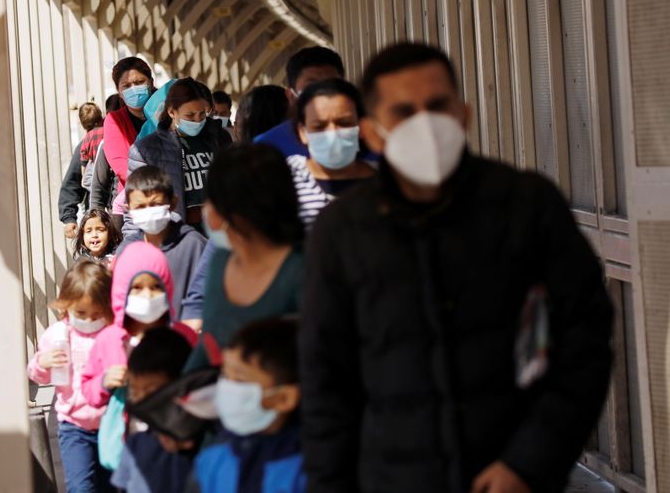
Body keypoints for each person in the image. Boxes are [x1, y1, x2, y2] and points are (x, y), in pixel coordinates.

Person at [300, 42, 614, 493]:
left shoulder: (525, 205)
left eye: (437, 106)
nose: (424, 124)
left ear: (463, 113)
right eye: (404, 112)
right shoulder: (342, 232)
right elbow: (325, 377)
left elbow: (584, 338)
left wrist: (529, 462)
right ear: (371, 133)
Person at [184, 144, 304, 372]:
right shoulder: (220, 259)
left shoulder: (303, 273)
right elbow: (207, 347)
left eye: (211, 200)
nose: (205, 210)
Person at [27, 261, 116, 493]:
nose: (88, 321)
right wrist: (42, 363)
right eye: (81, 313)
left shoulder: (111, 333)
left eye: (97, 314)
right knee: (80, 487)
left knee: (112, 486)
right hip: (74, 426)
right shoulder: (58, 334)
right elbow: (38, 375)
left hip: (111, 423)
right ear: (66, 306)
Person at [191, 318, 305, 493]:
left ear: (284, 398)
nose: (227, 387)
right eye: (225, 375)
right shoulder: (213, 459)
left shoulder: (310, 468)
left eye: (240, 380)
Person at [81, 241, 196, 409]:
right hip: (126, 432)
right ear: (122, 291)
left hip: (174, 428)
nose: (147, 295)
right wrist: (104, 382)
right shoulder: (109, 339)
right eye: (137, 287)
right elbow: (88, 388)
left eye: (156, 286)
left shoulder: (184, 336)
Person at [128, 77, 231, 230]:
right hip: (175, 235)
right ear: (171, 112)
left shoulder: (220, 138)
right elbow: (136, 203)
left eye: (202, 114)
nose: (197, 120)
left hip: (221, 230)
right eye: (190, 115)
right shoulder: (146, 149)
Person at [119, 166, 207, 329]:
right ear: (128, 209)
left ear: (173, 203)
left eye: (155, 204)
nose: (149, 211)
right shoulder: (126, 252)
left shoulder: (194, 245)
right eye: (140, 207)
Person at [111, 327, 197, 493]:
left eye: (151, 392)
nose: (143, 401)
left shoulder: (202, 445)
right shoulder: (136, 444)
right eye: (135, 391)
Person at [287, 79, 375, 227]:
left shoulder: (388, 180)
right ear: (302, 131)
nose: (332, 132)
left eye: (344, 123)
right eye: (319, 126)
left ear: (362, 126)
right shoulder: (284, 176)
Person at [254, 46, 344, 157]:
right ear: (291, 96)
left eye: (332, 85)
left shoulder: (366, 138)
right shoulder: (266, 148)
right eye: (311, 87)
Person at [104, 57, 156, 193]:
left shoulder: (168, 112)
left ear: (151, 83)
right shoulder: (114, 120)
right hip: (137, 199)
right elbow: (121, 167)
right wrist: (157, 186)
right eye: (126, 86)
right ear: (119, 92)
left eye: (139, 82)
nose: (134, 89)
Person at [79, 102, 105, 190]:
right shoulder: (107, 129)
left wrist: (83, 178)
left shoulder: (87, 138)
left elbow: (84, 161)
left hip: (96, 171)